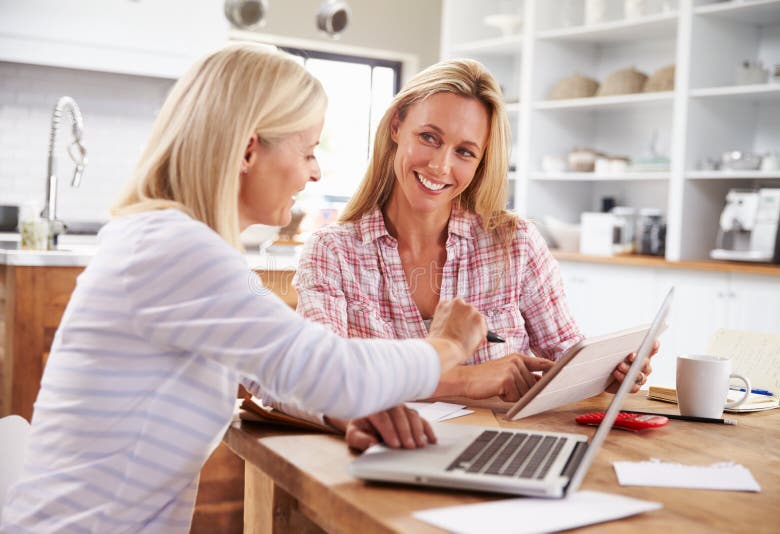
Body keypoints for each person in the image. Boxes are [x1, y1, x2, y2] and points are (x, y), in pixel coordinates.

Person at [0, 44, 488, 533]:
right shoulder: (174, 248)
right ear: (249, 150)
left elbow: (278, 374)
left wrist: (343, 413)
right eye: (308, 151)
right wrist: (445, 344)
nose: (315, 171)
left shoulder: (192, 249)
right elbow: (335, 370)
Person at [292, 59, 656, 450]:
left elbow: (566, 355)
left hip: (505, 452)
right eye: (429, 137)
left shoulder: (514, 243)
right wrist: (470, 378)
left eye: (465, 152)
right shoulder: (332, 251)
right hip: (383, 455)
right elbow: (322, 377)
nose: (440, 165)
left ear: (481, 161)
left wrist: (609, 372)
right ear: (397, 125)